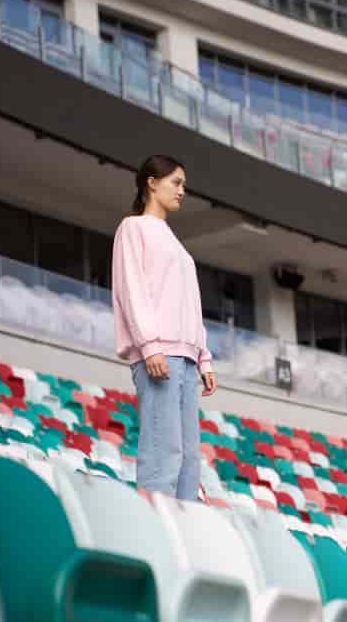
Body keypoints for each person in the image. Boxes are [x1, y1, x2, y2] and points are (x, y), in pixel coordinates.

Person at [112, 154, 217, 500]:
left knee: (189, 459)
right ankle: (157, 531)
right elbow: (132, 288)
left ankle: (184, 537)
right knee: (163, 451)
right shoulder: (133, 228)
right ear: (151, 183)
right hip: (159, 353)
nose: (182, 190)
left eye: (184, 184)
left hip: (186, 359)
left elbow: (191, 303)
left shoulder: (176, 244)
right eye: (176, 182)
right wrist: (149, 343)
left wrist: (204, 358)